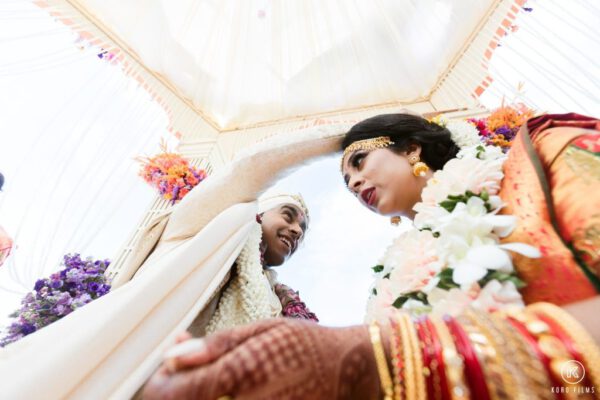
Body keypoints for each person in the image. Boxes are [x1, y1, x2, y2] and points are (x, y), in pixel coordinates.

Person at [143, 113, 600, 399]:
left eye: (358, 161)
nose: (354, 184)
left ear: (413, 147)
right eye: (344, 181)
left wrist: (378, 360)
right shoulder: (399, 270)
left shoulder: (543, 152)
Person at [0, 123, 349, 399]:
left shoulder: (281, 302)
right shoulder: (208, 227)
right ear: (258, 210)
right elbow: (251, 168)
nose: (295, 230)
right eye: (288, 215)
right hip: (123, 375)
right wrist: (345, 139)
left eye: (303, 229)